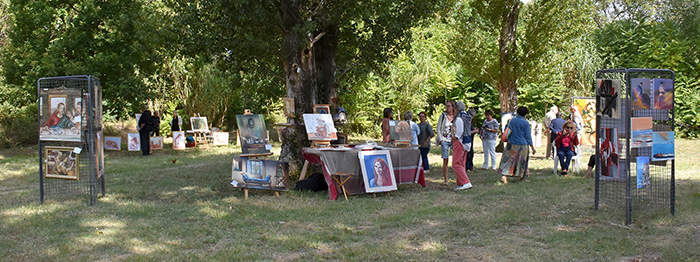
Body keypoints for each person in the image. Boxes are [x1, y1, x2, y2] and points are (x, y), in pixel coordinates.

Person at [497, 106, 536, 184]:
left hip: (511, 143)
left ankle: (504, 176)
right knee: (522, 161)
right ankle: (522, 177)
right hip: (522, 145)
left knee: (508, 160)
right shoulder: (525, 123)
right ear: (525, 114)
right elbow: (528, 136)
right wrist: (532, 147)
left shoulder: (511, 120)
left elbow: (506, 131)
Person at [451, 101, 473, 191]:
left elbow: (459, 131)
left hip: (461, 142)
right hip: (468, 141)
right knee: (461, 163)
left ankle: (465, 182)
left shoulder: (459, 118)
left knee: (456, 164)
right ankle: (461, 182)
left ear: (456, 108)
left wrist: (454, 138)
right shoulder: (467, 116)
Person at [434, 101, 456, 185]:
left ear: (453, 107)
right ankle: (446, 179)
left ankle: (458, 178)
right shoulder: (443, 116)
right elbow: (438, 128)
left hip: (454, 140)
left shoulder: (456, 117)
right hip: (445, 139)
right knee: (445, 159)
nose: (447, 108)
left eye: (449, 106)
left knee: (457, 159)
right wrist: (441, 139)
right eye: (446, 106)